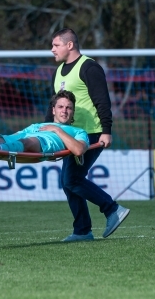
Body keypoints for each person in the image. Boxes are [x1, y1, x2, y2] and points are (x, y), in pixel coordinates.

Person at [45, 28, 129, 242]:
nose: (52, 49)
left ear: (69, 45)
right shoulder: (58, 72)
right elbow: (54, 106)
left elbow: (103, 100)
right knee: (69, 181)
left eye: (56, 45)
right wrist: (44, 132)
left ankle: (112, 209)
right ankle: (82, 230)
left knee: (71, 179)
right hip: (68, 136)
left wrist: (107, 131)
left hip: (90, 133)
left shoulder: (89, 67)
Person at [0, 91, 88, 157]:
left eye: (68, 108)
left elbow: (79, 150)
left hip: (42, 143)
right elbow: (13, 137)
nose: (64, 111)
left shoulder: (78, 131)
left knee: (27, 141)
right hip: (25, 139)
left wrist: (57, 130)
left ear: (73, 111)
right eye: (60, 107)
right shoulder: (36, 125)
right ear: (53, 110)